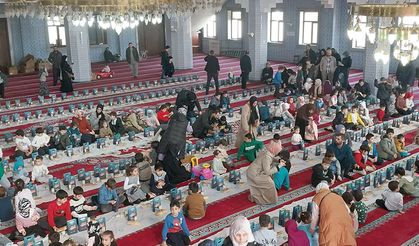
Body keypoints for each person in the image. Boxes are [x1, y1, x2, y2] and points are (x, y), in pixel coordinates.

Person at [157, 107, 192, 184]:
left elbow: (166, 131)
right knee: (174, 162)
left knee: (170, 161)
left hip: (169, 142)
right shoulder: (185, 121)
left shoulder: (173, 120)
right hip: (177, 144)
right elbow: (190, 130)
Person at [246, 140, 283, 205]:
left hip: (254, 172)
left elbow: (272, 158)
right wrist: (279, 166)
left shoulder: (267, 152)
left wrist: (279, 160)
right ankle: (268, 200)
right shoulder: (267, 157)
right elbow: (268, 172)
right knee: (270, 184)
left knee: (268, 181)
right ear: (274, 150)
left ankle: (263, 196)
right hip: (255, 174)